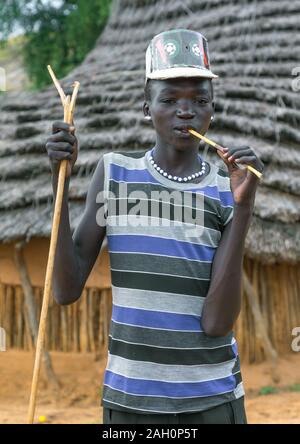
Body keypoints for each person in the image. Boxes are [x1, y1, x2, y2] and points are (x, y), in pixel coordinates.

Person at [45, 29, 264, 424]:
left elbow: (217, 323)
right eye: (169, 99)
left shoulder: (225, 190)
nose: (186, 111)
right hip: (130, 403)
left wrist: (243, 208)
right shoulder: (114, 174)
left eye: (200, 100)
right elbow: (65, 289)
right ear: (147, 107)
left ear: (212, 110)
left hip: (212, 402)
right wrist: (58, 180)